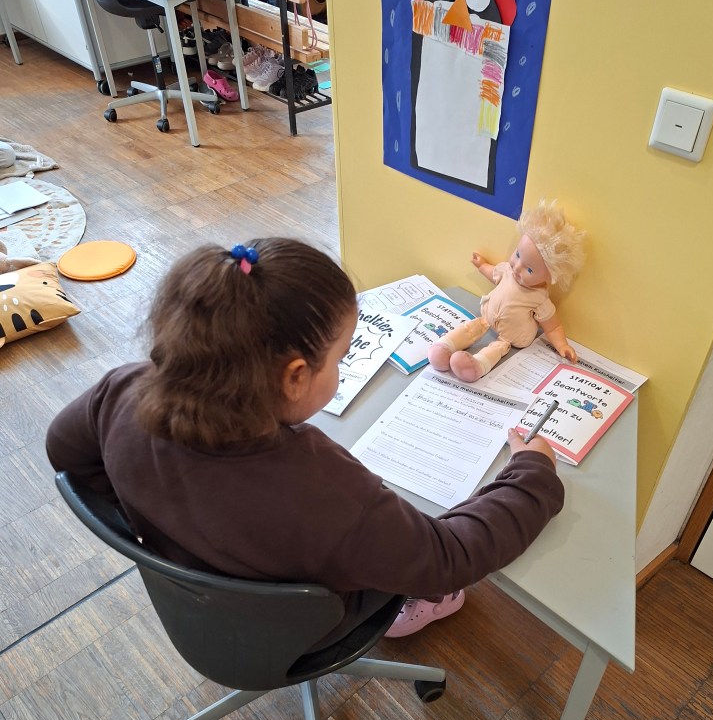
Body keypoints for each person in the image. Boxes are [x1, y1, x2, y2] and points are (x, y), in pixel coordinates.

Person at [46, 238, 564, 643]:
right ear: (295, 376)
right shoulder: (325, 492)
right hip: (306, 629)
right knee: (411, 564)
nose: (341, 366)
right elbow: (449, 558)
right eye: (340, 357)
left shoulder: (121, 392)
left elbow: (64, 453)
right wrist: (531, 475)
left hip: (194, 609)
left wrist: (159, 516)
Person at [429, 200, 586, 383]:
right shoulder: (507, 270)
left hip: (512, 336)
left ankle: (477, 366)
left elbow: (553, 326)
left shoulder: (539, 297)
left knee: (498, 348)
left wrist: (562, 345)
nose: (517, 268)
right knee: (471, 327)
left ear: (549, 276)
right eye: (518, 255)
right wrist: (482, 265)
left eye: (529, 269)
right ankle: (444, 347)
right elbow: (492, 273)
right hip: (487, 319)